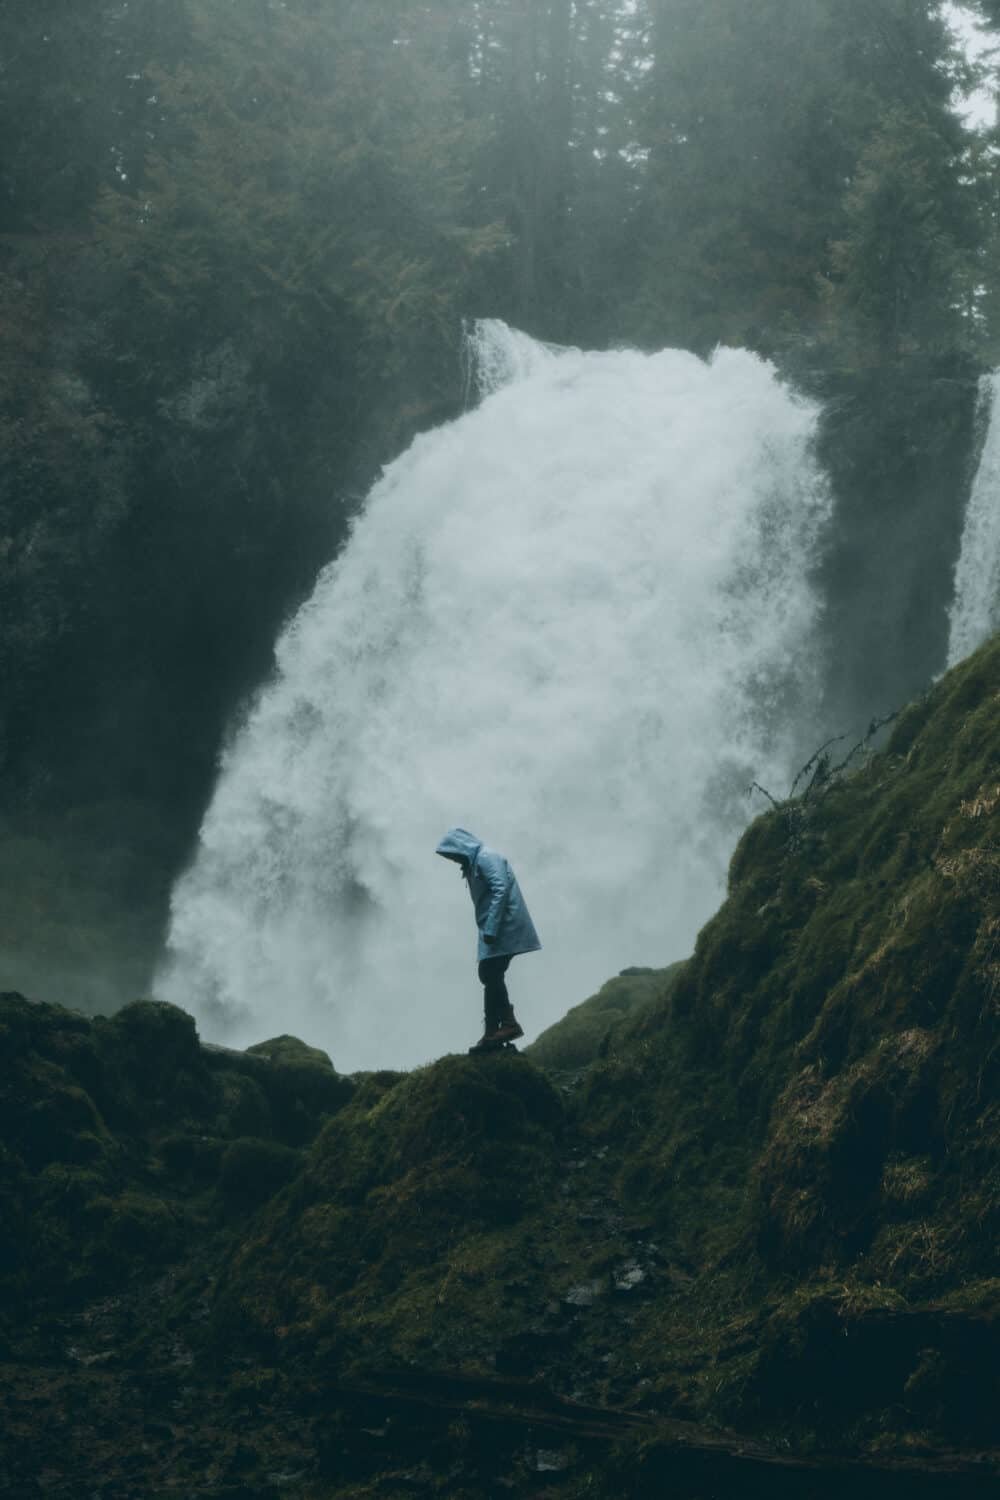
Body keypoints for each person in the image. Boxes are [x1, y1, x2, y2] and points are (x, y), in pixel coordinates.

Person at [435, 828, 541, 1052]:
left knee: (490, 973)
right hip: (496, 927)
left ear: (461, 846)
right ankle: (493, 1031)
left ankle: (507, 1025)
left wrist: (491, 928)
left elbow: (500, 889)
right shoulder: (475, 863)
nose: (453, 859)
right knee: (489, 973)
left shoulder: (485, 857)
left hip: (504, 926)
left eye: (453, 854)